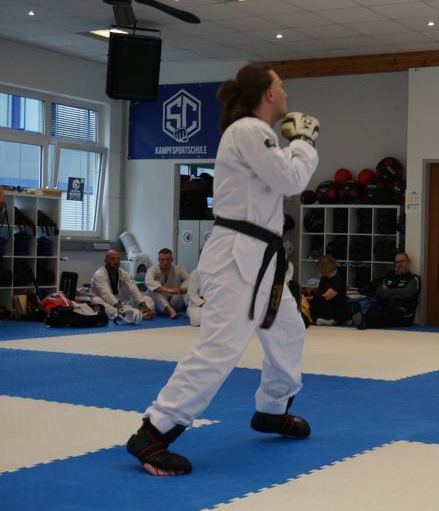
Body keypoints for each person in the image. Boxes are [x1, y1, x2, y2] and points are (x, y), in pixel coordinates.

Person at [125, 61, 319, 476]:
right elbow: (290, 179)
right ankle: (155, 431)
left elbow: (277, 178)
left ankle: (271, 409)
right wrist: (303, 142)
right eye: (282, 87)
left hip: (261, 259)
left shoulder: (259, 136)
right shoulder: (248, 130)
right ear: (268, 94)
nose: (286, 94)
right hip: (238, 259)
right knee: (220, 349)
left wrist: (291, 147)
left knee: (288, 331)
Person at [356, 251, 420, 329]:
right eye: (397, 262)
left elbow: (406, 293)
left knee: (378, 315)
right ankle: (365, 320)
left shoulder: (414, 278)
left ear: (408, 262)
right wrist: (397, 291)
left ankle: (365, 321)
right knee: (369, 307)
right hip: (387, 308)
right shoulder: (390, 276)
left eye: (402, 261)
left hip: (404, 314)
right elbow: (379, 292)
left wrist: (389, 291)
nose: (400, 264)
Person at [90, 249, 155, 322]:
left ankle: (134, 314)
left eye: (118, 259)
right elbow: (106, 294)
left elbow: (134, 290)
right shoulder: (99, 274)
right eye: (113, 259)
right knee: (96, 301)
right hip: (106, 302)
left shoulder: (124, 273)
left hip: (121, 302)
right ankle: (134, 315)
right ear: (105, 260)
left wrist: (145, 306)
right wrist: (121, 308)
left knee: (147, 299)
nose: (116, 261)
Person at [144, 248, 191, 318]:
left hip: (174, 303)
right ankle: (169, 310)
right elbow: (148, 281)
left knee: (188, 285)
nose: (165, 262)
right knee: (153, 288)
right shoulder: (152, 270)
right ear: (158, 260)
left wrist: (181, 289)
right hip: (158, 306)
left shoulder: (178, 269)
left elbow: (191, 281)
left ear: (172, 260)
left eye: (168, 260)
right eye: (162, 260)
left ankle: (189, 310)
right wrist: (168, 290)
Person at [310, 254, 351, 326]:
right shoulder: (324, 279)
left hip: (335, 307)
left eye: (320, 267)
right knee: (314, 298)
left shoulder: (339, 280)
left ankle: (334, 320)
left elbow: (327, 296)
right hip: (326, 305)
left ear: (326, 267)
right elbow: (319, 293)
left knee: (317, 299)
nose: (319, 269)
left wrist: (313, 297)